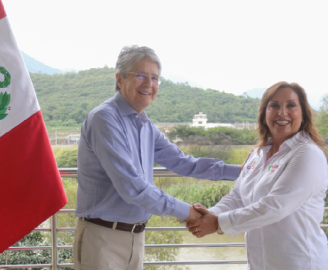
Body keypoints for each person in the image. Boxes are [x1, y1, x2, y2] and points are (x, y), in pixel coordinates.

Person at [73, 45, 241, 270]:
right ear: (119, 79)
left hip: (136, 237)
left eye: (154, 78)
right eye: (139, 75)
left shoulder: (145, 125)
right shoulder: (104, 119)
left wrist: (244, 171)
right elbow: (133, 188)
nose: (148, 84)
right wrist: (189, 213)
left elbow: (183, 163)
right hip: (103, 239)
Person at [187, 81, 328, 269]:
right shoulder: (258, 154)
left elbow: (276, 206)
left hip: (299, 262)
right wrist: (210, 214)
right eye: (274, 106)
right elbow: (238, 196)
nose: (282, 113)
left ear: (303, 115)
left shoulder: (308, 154)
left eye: (291, 105)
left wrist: (217, 223)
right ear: (264, 114)